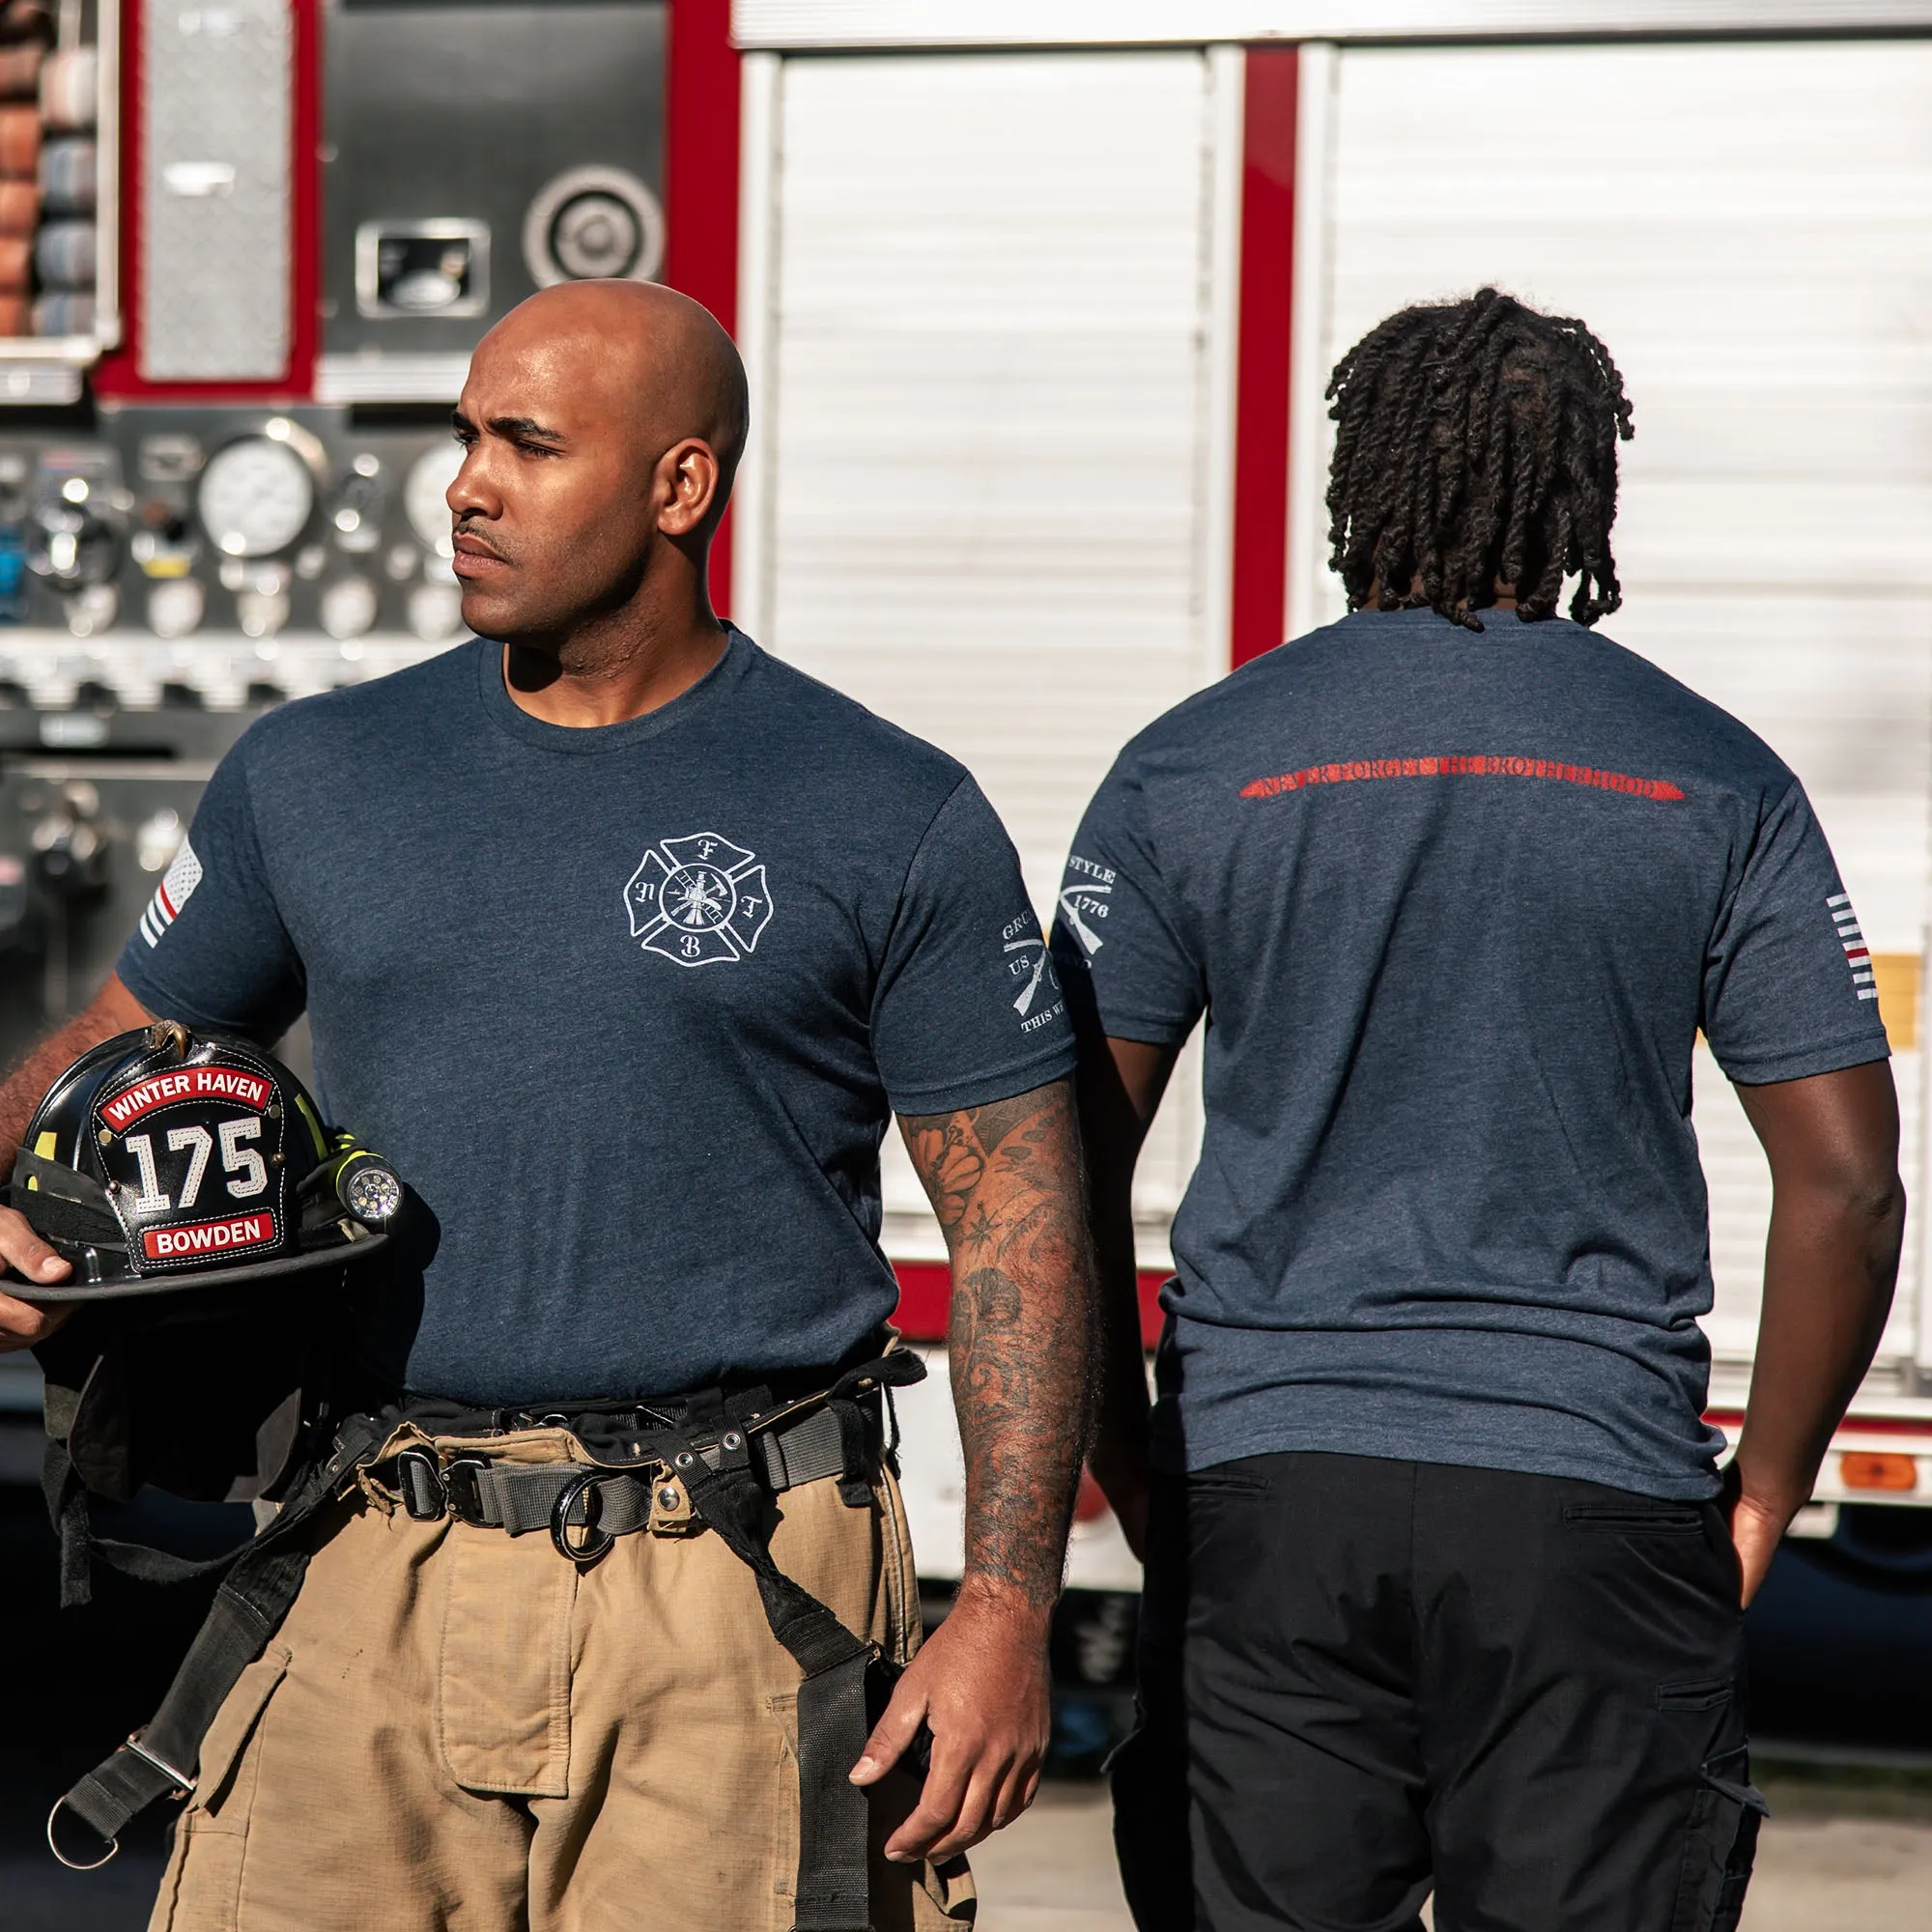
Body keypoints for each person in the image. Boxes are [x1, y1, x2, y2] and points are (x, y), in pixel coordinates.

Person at [0, 278, 1096, 1931]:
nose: (466, 485)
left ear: (679, 485)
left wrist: (1006, 1607)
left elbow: (1022, 1224)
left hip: (735, 1592)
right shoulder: (318, 774)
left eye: (525, 443)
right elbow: (112, 1047)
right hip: (368, 1556)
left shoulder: (886, 810)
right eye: (465, 437)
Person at [1055, 287, 1904, 1932]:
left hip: (1267, 1487)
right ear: (1586, 491)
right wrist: (1766, 1492)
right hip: (1595, 1492)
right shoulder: (1713, 774)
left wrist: (1126, 1457)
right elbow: (1851, 1186)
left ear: (1357, 479)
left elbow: (1059, 1162)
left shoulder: (1193, 766)